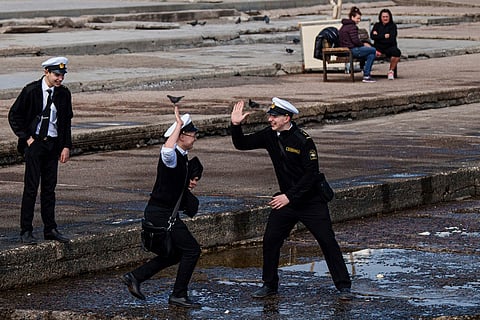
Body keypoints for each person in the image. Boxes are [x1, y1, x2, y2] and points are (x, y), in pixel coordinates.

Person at [230, 97, 353, 301]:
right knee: (270, 240)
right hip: (286, 201)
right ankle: (269, 284)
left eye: (274, 116)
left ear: (287, 117)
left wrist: (289, 196)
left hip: (310, 201)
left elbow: (311, 175)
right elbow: (241, 144)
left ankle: (343, 286)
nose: (270, 119)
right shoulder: (270, 135)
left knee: (327, 241)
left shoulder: (303, 140)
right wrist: (235, 125)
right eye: (270, 115)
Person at [121, 108, 203, 308]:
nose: (195, 138)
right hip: (161, 214)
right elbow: (166, 151)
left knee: (174, 254)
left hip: (166, 213)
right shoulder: (172, 155)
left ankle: (135, 277)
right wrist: (178, 125)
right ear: (182, 136)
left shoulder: (182, 156)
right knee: (192, 250)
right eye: (192, 135)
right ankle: (178, 295)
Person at [8, 56, 73, 245]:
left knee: (49, 189)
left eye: (62, 75)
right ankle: (26, 230)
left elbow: (65, 121)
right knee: (30, 188)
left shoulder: (64, 94)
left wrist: (66, 146)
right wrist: (26, 137)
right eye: (56, 75)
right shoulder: (31, 90)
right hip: (35, 144)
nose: (60, 79)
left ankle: (50, 228)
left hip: (53, 145)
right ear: (46, 72)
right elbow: (14, 115)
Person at [338, 6, 377, 83]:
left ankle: (366, 74)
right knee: (373, 50)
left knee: (371, 55)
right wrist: (363, 45)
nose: (359, 20)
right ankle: (366, 74)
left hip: (347, 49)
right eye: (357, 18)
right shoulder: (352, 27)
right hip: (351, 50)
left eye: (360, 18)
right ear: (352, 17)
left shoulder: (344, 26)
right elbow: (355, 41)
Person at [371, 8, 401, 80]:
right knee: (369, 50)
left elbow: (391, 39)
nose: (385, 18)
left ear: (389, 17)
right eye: (383, 17)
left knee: (397, 52)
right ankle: (366, 71)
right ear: (380, 17)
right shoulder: (377, 25)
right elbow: (372, 36)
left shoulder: (392, 26)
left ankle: (391, 71)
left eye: (386, 17)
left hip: (389, 47)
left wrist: (378, 37)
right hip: (378, 48)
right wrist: (384, 36)